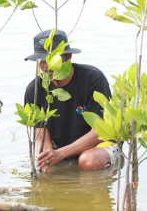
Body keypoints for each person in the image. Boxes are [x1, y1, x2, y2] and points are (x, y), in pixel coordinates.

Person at [24, 29, 118, 172]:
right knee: (43, 169)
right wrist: (45, 159)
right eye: (41, 60)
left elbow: (101, 131)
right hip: (61, 148)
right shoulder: (34, 89)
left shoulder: (93, 79)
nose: (45, 66)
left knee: (88, 161)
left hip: (98, 145)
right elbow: (41, 136)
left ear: (68, 57)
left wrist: (61, 153)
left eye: (51, 59)